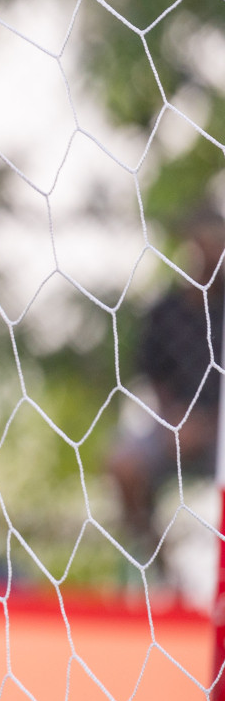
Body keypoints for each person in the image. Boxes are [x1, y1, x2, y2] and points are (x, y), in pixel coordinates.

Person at [108, 206, 225, 549]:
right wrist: (176, 421)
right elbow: (154, 376)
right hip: (175, 426)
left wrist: (211, 425)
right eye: (201, 245)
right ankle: (156, 563)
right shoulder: (166, 311)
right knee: (125, 465)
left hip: (220, 434)